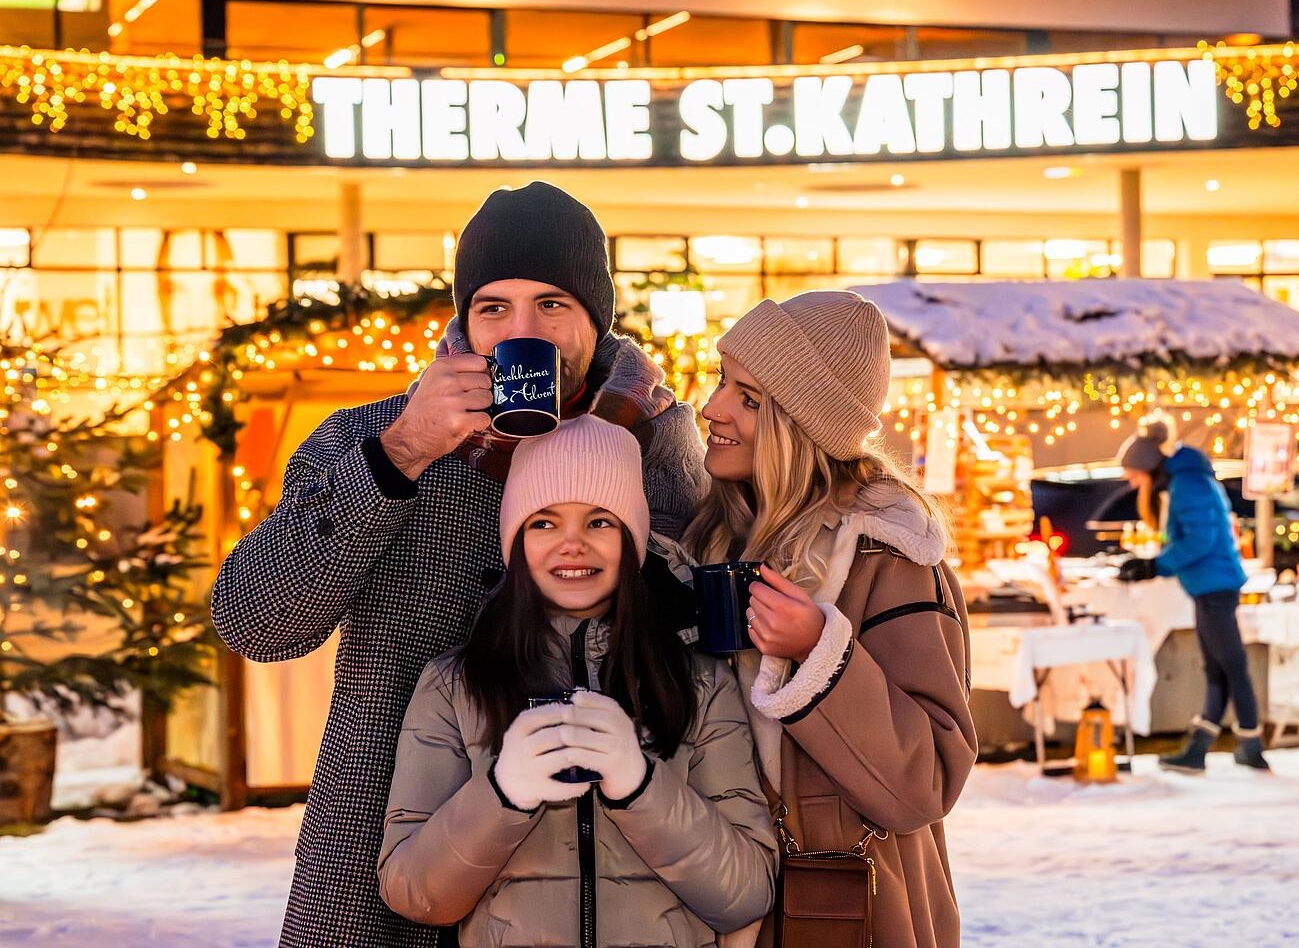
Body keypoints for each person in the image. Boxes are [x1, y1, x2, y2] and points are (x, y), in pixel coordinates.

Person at [210, 182, 708, 948]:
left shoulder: (663, 445)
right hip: (383, 862)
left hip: (599, 881)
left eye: (552, 305)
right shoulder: (374, 436)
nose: (521, 328)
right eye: (493, 308)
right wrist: (401, 455)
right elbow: (256, 622)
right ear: (465, 320)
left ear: (595, 319)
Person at [377, 415, 776, 946]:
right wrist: (502, 794)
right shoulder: (455, 685)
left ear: (632, 539)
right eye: (543, 522)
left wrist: (640, 786)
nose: (572, 545)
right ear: (514, 539)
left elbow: (747, 894)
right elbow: (414, 895)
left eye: (599, 522)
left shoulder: (699, 680)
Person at [684, 290, 976, 948]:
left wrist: (821, 654)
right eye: (721, 381)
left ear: (801, 423)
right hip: (721, 894)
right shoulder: (714, 537)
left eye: (748, 397)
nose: (713, 407)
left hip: (841, 906)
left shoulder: (886, 556)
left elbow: (926, 782)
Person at [1116, 419, 1268, 773]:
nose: (1131, 482)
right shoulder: (1187, 480)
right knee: (1218, 668)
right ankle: (1201, 748)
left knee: (1232, 667)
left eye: (1133, 474)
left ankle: (1252, 746)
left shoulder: (1188, 484)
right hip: (1209, 586)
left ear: (1149, 467)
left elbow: (1201, 540)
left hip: (1215, 586)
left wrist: (1157, 565)